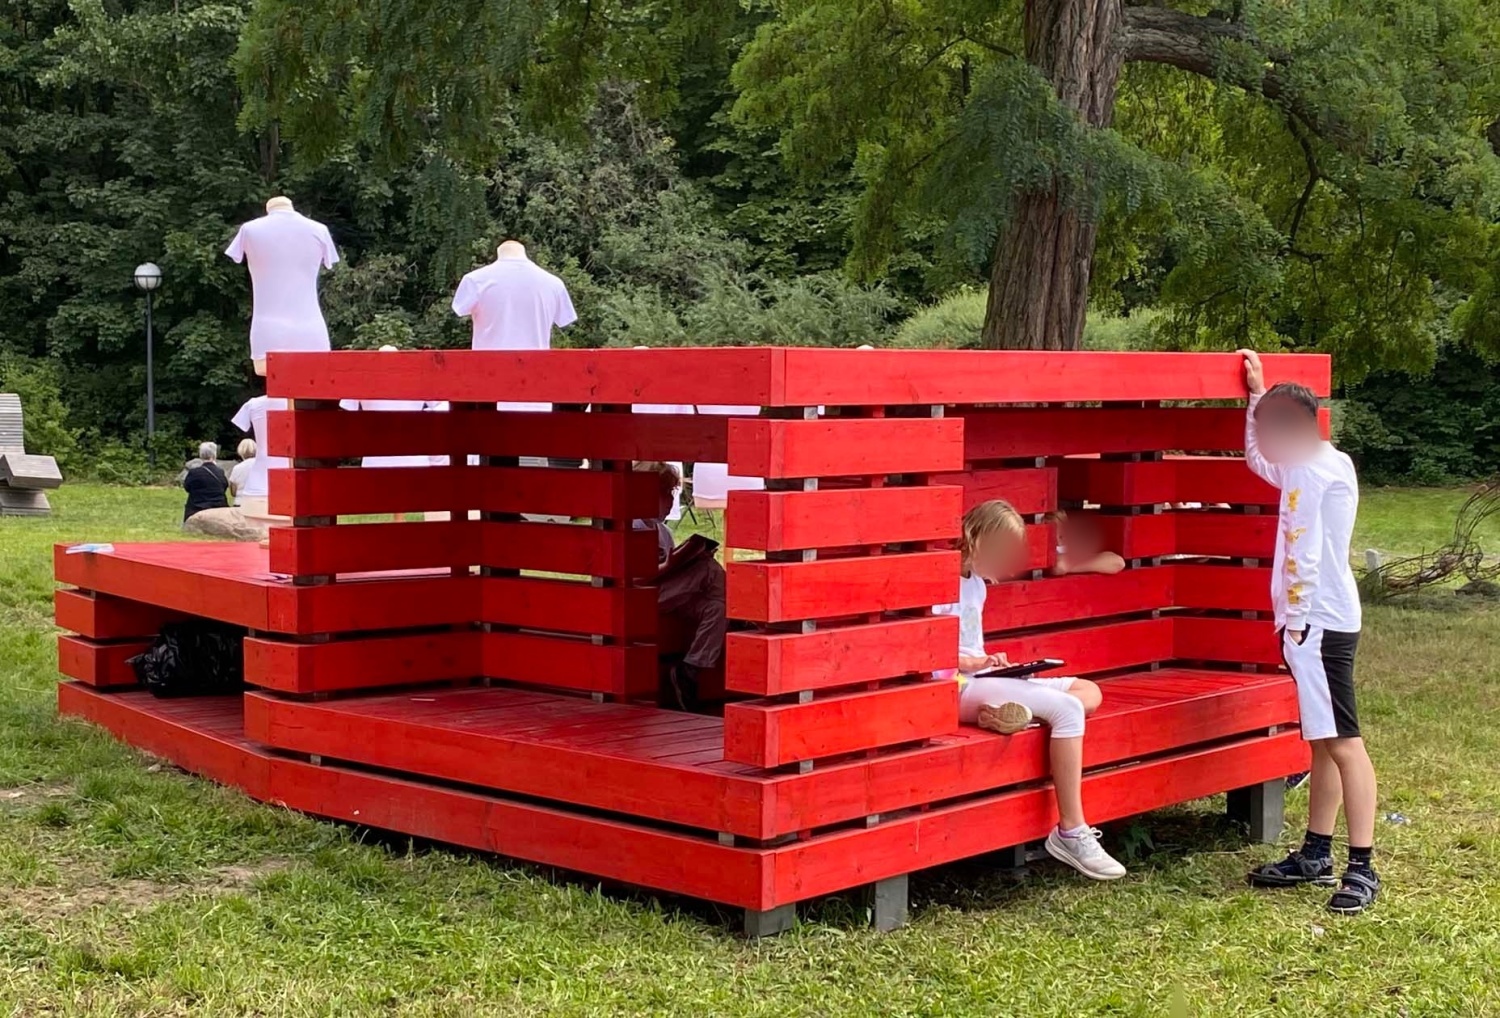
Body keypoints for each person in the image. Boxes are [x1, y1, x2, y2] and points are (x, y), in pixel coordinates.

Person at [1239, 349, 1379, 915]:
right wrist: (1256, 395)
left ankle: (1362, 867)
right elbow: (1259, 461)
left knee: (1343, 742)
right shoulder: (1325, 458)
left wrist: (1295, 623)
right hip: (1327, 618)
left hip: (1316, 623)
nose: (1266, 441)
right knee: (1322, 740)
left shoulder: (1307, 469)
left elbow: (1301, 551)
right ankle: (1316, 853)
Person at [934, 500, 1126, 881]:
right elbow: (930, 654)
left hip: (982, 679)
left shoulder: (976, 585)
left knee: (1087, 692)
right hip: (956, 687)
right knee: (1068, 710)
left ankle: (1010, 716)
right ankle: (1071, 831)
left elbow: (970, 644)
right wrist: (976, 663)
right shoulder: (940, 581)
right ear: (979, 536)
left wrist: (992, 662)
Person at [633, 462, 727, 711]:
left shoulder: (663, 532)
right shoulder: (632, 527)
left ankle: (690, 669)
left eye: (673, 493)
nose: (671, 501)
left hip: (667, 596)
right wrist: (670, 566)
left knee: (717, 608)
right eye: (666, 494)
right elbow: (635, 579)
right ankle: (745, 618)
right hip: (641, 598)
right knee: (707, 569)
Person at [1047, 509, 1125, 576]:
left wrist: (1070, 566)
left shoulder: (1069, 549)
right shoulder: (1046, 554)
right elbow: (1059, 566)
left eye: (1062, 536)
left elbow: (1118, 562)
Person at [181, 442, 229, 521]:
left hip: (197, 509)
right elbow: (224, 486)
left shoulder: (194, 472)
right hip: (218, 509)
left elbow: (187, 487)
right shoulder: (220, 472)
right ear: (214, 455)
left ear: (201, 455)